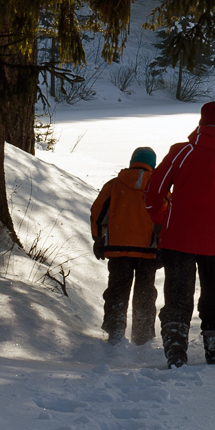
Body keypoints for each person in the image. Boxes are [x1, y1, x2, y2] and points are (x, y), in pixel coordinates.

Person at [143, 100, 215, 368]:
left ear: (201, 122)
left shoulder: (179, 153)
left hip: (177, 239)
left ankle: (175, 349)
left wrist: (163, 219)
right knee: (214, 297)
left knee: (177, 295)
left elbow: (152, 194)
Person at [91, 147, 163, 345]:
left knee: (117, 289)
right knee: (145, 292)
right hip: (148, 250)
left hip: (118, 248)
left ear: (132, 161)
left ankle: (115, 331)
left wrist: (98, 238)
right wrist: (164, 246)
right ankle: (143, 335)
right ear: (153, 164)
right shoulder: (158, 187)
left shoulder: (114, 185)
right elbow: (167, 216)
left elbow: (98, 212)